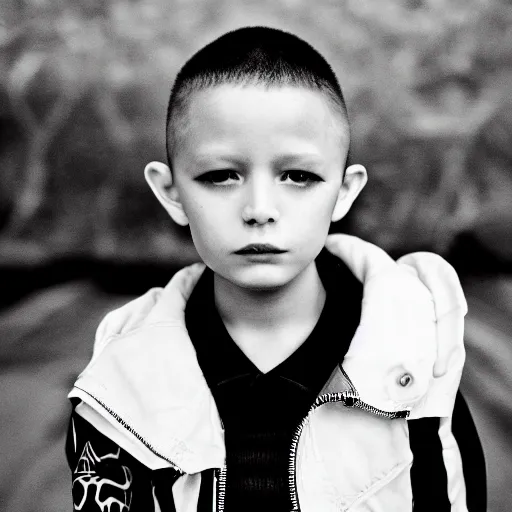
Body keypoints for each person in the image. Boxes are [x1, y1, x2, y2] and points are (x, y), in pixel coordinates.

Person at [66, 27, 485, 511]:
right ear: (171, 192)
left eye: (298, 176)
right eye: (221, 175)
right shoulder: (118, 391)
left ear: (345, 191)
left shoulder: (421, 367)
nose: (259, 209)